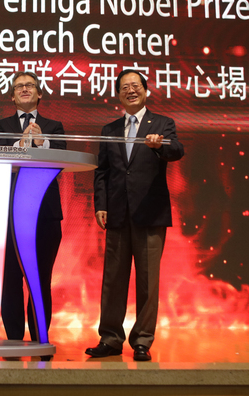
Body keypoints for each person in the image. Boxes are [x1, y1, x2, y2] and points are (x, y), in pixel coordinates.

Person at [86, 69, 184, 361]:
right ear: (118, 95)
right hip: (116, 213)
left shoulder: (162, 124)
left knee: (148, 281)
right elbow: (102, 171)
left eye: (135, 85)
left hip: (150, 213)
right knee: (113, 279)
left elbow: (177, 150)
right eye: (124, 87)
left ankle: (142, 340)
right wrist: (100, 204)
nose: (130, 90)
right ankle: (111, 339)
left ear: (145, 91)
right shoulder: (110, 129)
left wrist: (160, 146)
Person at [0, 71, 66, 342]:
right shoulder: (0, 125)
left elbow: (60, 159)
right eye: (19, 86)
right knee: (10, 278)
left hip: (45, 213)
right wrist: (22, 143)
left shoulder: (54, 125)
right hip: (8, 214)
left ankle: (39, 338)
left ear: (39, 93)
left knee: (40, 278)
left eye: (30, 85)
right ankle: (12, 340)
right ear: (12, 96)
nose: (25, 89)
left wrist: (41, 141)